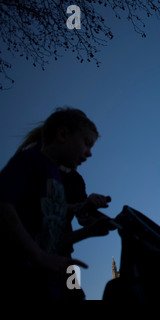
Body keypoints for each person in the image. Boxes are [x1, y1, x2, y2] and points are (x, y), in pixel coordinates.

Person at [0, 107, 105, 300]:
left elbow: (52, 234)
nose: (89, 153)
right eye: (86, 143)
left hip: (52, 267)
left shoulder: (64, 178)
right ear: (63, 134)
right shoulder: (30, 161)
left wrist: (91, 229)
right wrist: (37, 255)